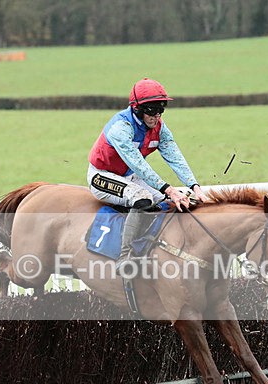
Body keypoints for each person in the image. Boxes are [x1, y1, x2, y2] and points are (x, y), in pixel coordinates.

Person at [87, 77, 207, 276]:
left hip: (129, 176)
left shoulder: (160, 127)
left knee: (169, 202)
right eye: (151, 110)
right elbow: (140, 166)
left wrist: (195, 187)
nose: (157, 115)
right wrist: (169, 189)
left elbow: (174, 157)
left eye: (161, 109)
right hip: (102, 176)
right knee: (143, 200)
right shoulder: (121, 128)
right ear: (137, 109)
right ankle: (124, 257)